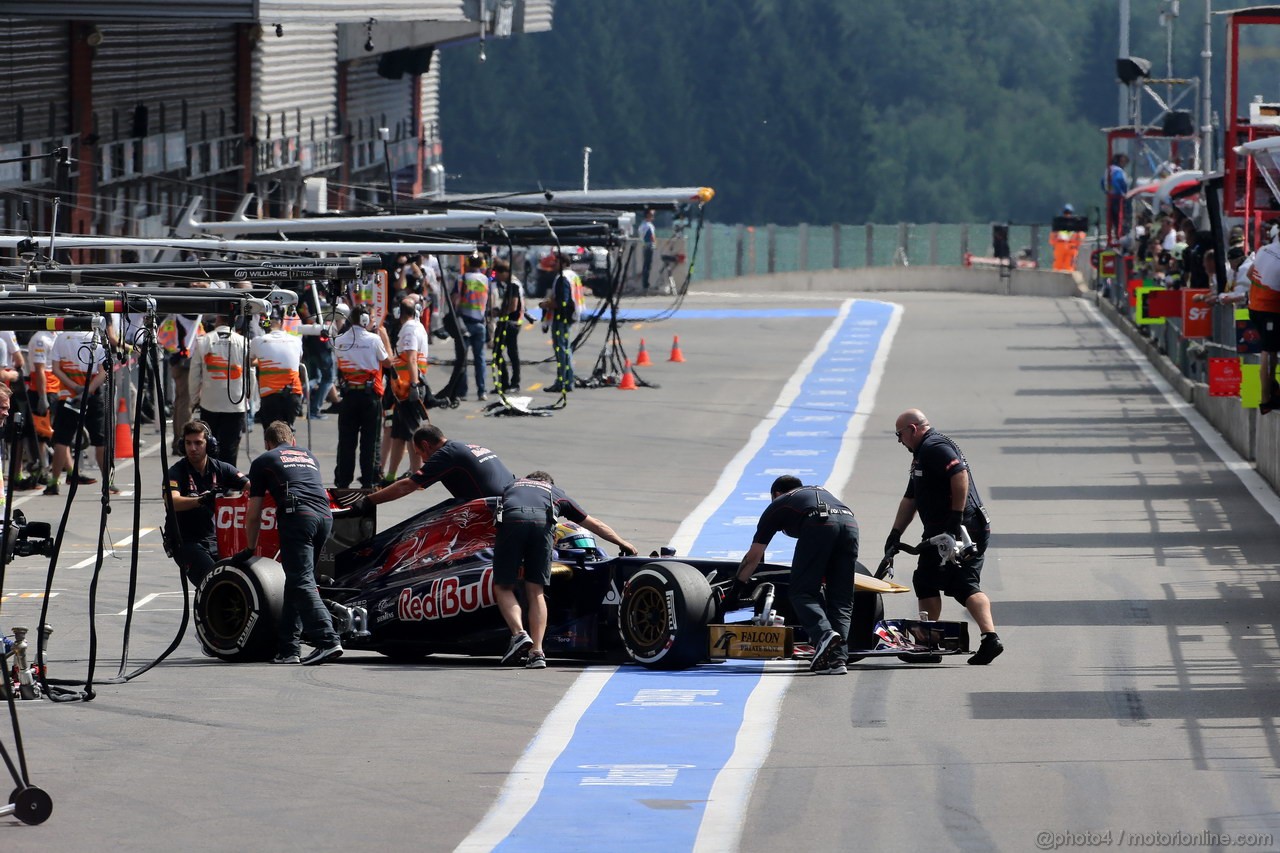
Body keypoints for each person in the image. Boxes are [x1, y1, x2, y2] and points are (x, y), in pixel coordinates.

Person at [886, 409, 1002, 665]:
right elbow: (911, 498)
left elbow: (959, 474)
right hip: (943, 531)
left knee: (955, 583)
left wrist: (955, 518)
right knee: (932, 580)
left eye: (900, 435)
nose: (899, 441)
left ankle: (955, 642)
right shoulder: (921, 455)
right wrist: (895, 534)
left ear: (913, 430)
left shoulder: (935, 447)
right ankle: (940, 641)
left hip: (961, 528)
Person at [494, 471, 637, 669]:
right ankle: (537, 652)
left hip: (512, 521)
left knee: (503, 586)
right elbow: (594, 523)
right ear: (548, 483)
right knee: (536, 591)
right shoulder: (556, 492)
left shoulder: (512, 485)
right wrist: (622, 542)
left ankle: (519, 634)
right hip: (542, 526)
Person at [237, 420, 343, 665]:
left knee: (301, 581)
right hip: (325, 518)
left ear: (267, 443)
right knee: (296, 581)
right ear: (292, 441)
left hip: (299, 518)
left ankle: (327, 640)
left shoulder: (264, 461)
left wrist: (250, 549)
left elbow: (253, 514)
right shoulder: (309, 456)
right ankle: (288, 649)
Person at [733, 474, 859, 675]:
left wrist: (736, 588)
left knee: (802, 592)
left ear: (776, 494)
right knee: (842, 599)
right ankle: (837, 660)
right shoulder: (819, 493)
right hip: (850, 523)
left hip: (819, 522)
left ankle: (824, 634)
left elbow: (754, 557)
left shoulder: (778, 504)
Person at [164, 420, 249, 585]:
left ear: (209, 445)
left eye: (198, 443)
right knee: (214, 580)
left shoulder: (222, 469)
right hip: (185, 541)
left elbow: (252, 487)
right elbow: (172, 502)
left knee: (240, 578)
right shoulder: (176, 472)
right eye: (188, 443)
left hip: (216, 539)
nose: (193, 448)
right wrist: (202, 500)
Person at [359, 424, 514, 510]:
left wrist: (366, 502)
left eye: (420, 454)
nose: (423, 461)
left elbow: (406, 486)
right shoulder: (463, 446)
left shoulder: (447, 454)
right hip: (513, 500)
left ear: (426, 445)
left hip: (497, 511)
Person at [46, 328, 112, 496]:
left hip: (68, 395)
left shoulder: (61, 338)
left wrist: (75, 387)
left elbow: (55, 369)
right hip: (94, 394)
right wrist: (88, 390)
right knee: (100, 441)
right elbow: (104, 370)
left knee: (62, 440)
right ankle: (108, 483)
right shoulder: (97, 338)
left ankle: (53, 483)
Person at [333, 305, 392, 489]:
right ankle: (369, 480)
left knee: (346, 442)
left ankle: (343, 481)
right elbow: (388, 362)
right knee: (371, 442)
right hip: (370, 397)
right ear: (365, 320)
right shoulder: (374, 339)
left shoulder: (339, 340)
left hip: (348, 396)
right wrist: (384, 338)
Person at [189, 314, 253, 467]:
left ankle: (212, 480)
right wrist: (250, 398)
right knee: (231, 445)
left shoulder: (203, 340)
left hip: (210, 401)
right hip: (236, 401)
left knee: (209, 444)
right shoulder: (244, 341)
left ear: (217, 320)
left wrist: (194, 398)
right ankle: (229, 482)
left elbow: (194, 374)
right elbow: (250, 373)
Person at [384, 297, 430, 481]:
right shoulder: (417, 327)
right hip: (402, 388)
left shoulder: (410, 329)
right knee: (399, 434)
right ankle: (391, 475)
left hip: (407, 386)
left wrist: (413, 384)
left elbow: (411, 358)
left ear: (399, 313)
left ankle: (417, 475)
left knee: (411, 434)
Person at [251, 309, 304, 439]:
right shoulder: (296, 340)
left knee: (271, 435)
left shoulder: (259, 340)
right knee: (288, 433)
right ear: (281, 322)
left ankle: (274, 458)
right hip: (293, 393)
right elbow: (297, 360)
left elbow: (250, 361)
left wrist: (265, 361)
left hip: (270, 395)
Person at [1247, 237, 1280, 414]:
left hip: (1255, 308)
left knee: (1271, 350)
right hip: (1270, 310)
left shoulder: (1264, 249)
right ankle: (1266, 398)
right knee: (1268, 350)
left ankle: (1271, 388)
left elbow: (1249, 274)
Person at [541, 253, 582, 394]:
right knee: (565, 349)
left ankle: (563, 381)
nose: (554, 265)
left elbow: (562, 302)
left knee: (562, 351)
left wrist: (546, 304)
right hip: (570, 317)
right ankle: (567, 380)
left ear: (564, 263)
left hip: (561, 319)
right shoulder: (573, 276)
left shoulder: (563, 278)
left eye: (556, 262)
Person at [454, 254, 491, 401]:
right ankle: (482, 391)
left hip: (464, 323)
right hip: (480, 323)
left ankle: (462, 392)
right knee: (480, 359)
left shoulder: (462, 279)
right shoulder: (485, 280)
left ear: (468, 263)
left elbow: (454, 299)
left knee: (462, 359)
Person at [490, 259, 525, 393]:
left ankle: (511, 382)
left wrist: (500, 313)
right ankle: (506, 382)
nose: (497, 278)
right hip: (510, 321)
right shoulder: (512, 284)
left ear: (504, 272)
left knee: (501, 352)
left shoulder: (513, 285)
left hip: (510, 323)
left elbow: (513, 306)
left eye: (498, 274)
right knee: (508, 352)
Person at [1103, 152, 1129, 243]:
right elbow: (1117, 182)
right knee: (1120, 220)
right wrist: (1122, 193)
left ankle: (1114, 237)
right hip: (1118, 199)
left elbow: (1102, 183)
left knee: (1112, 220)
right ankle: (1120, 238)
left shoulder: (1108, 170)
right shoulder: (1118, 171)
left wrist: (1107, 192)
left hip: (1110, 198)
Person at [638, 208, 656, 294]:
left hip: (644, 246)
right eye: (652, 215)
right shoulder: (648, 225)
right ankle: (646, 286)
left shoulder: (642, 225)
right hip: (649, 247)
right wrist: (654, 243)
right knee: (647, 267)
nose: (653, 217)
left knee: (645, 266)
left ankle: (645, 285)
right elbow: (652, 237)